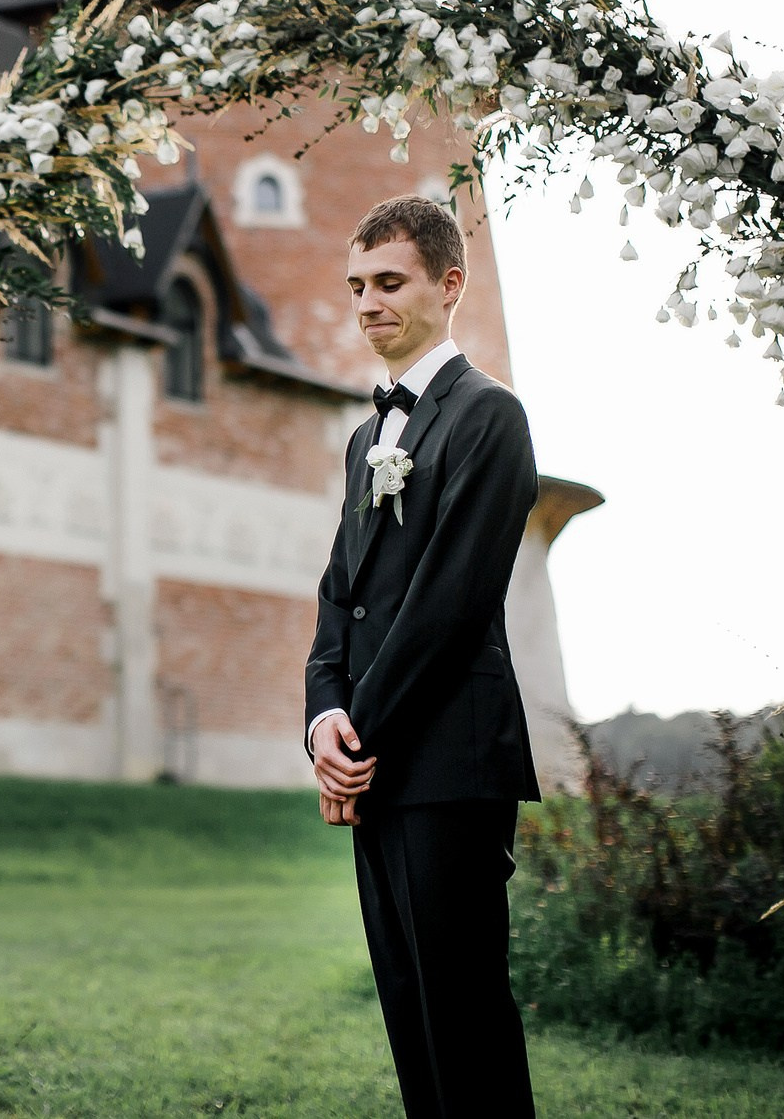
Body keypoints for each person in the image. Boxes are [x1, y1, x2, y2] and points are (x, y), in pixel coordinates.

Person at [304, 194, 540, 1117]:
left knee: (464, 1013)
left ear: (449, 285)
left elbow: (449, 604)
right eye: (357, 284)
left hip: (447, 761)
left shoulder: (491, 418)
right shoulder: (369, 438)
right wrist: (323, 718)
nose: (368, 301)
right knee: (409, 1010)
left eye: (389, 281)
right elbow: (340, 596)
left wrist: (355, 738)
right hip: (376, 763)